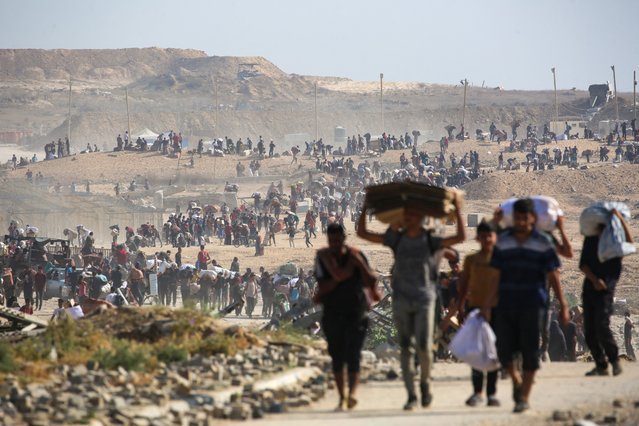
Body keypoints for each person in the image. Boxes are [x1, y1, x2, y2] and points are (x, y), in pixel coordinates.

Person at [357, 193, 465, 410]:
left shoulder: (430, 240)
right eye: (408, 214)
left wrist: (456, 208)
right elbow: (363, 233)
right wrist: (365, 207)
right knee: (406, 348)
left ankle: (424, 384)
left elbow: (459, 237)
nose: (411, 218)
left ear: (421, 217)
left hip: (425, 299)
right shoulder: (397, 238)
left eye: (415, 214)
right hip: (402, 300)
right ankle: (411, 395)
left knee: (425, 348)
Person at [485, 198, 569, 413]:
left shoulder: (543, 242)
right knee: (504, 351)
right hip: (506, 303)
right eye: (518, 218)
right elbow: (494, 274)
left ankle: (523, 397)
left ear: (532, 218)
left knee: (530, 351)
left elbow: (553, 275)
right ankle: (515, 379)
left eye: (525, 218)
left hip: (533, 304)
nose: (522, 222)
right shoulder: (503, 241)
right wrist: (487, 303)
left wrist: (563, 304)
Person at [315, 223, 381, 411]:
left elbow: (371, 281)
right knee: (337, 356)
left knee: (353, 355)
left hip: (356, 311)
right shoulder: (322, 258)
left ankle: (351, 394)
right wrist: (340, 276)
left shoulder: (357, 255)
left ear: (344, 238)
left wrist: (357, 264)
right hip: (333, 312)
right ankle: (342, 396)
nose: (334, 244)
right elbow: (322, 287)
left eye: (337, 240)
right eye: (331, 241)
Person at [447, 221, 500, 407]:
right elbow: (464, 285)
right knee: (476, 352)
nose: (486, 239)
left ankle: (492, 393)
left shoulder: (501, 259)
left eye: (489, 236)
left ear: (495, 238)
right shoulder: (471, 260)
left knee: (493, 352)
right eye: (483, 236)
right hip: (475, 310)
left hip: (496, 311)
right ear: (478, 238)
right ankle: (477, 392)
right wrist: (461, 309)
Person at [579, 207, 633, 376]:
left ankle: (614, 360)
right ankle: (601, 364)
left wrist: (620, 219)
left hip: (606, 292)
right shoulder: (591, 240)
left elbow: (630, 244)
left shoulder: (615, 242)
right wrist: (594, 280)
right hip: (590, 290)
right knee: (589, 330)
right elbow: (583, 264)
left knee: (602, 326)